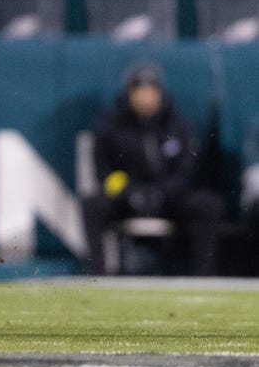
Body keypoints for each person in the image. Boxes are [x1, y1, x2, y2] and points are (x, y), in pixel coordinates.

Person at [81, 63, 225, 275]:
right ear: (129, 93)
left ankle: (203, 276)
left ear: (159, 93)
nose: (145, 97)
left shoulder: (180, 125)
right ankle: (98, 274)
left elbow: (185, 172)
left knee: (210, 205)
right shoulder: (110, 126)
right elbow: (104, 173)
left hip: (170, 199)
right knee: (92, 205)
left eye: (151, 91)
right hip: (126, 199)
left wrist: (160, 193)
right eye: (139, 91)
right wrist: (131, 193)